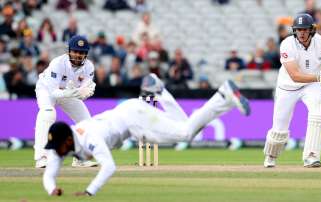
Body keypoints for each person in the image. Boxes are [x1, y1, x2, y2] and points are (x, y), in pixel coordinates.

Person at [42, 73, 251, 196]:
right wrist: (52, 189)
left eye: (57, 147)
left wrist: (89, 192)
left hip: (134, 119)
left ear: (68, 141)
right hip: (129, 116)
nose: (56, 152)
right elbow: (49, 173)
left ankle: (223, 94)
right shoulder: (64, 142)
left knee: (186, 133)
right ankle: (158, 90)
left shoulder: (90, 139)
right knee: (187, 130)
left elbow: (109, 167)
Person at [263, 13, 321, 168]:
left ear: (311, 30)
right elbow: (295, 76)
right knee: (279, 128)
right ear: (294, 30)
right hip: (287, 86)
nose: (302, 33)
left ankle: (311, 156)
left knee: (320, 112)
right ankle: (271, 156)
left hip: (312, 85)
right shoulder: (287, 44)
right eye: (299, 30)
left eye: (305, 30)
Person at [34, 35, 98, 168]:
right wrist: (68, 93)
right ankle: (42, 157)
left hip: (69, 93)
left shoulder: (89, 67)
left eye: (81, 52)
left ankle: (80, 157)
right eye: (75, 51)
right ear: (69, 51)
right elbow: (53, 91)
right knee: (47, 113)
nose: (78, 55)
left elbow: (83, 92)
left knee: (86, 122)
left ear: (86, 54)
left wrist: (85, 93)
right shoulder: (58, 63)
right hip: (47, 90)